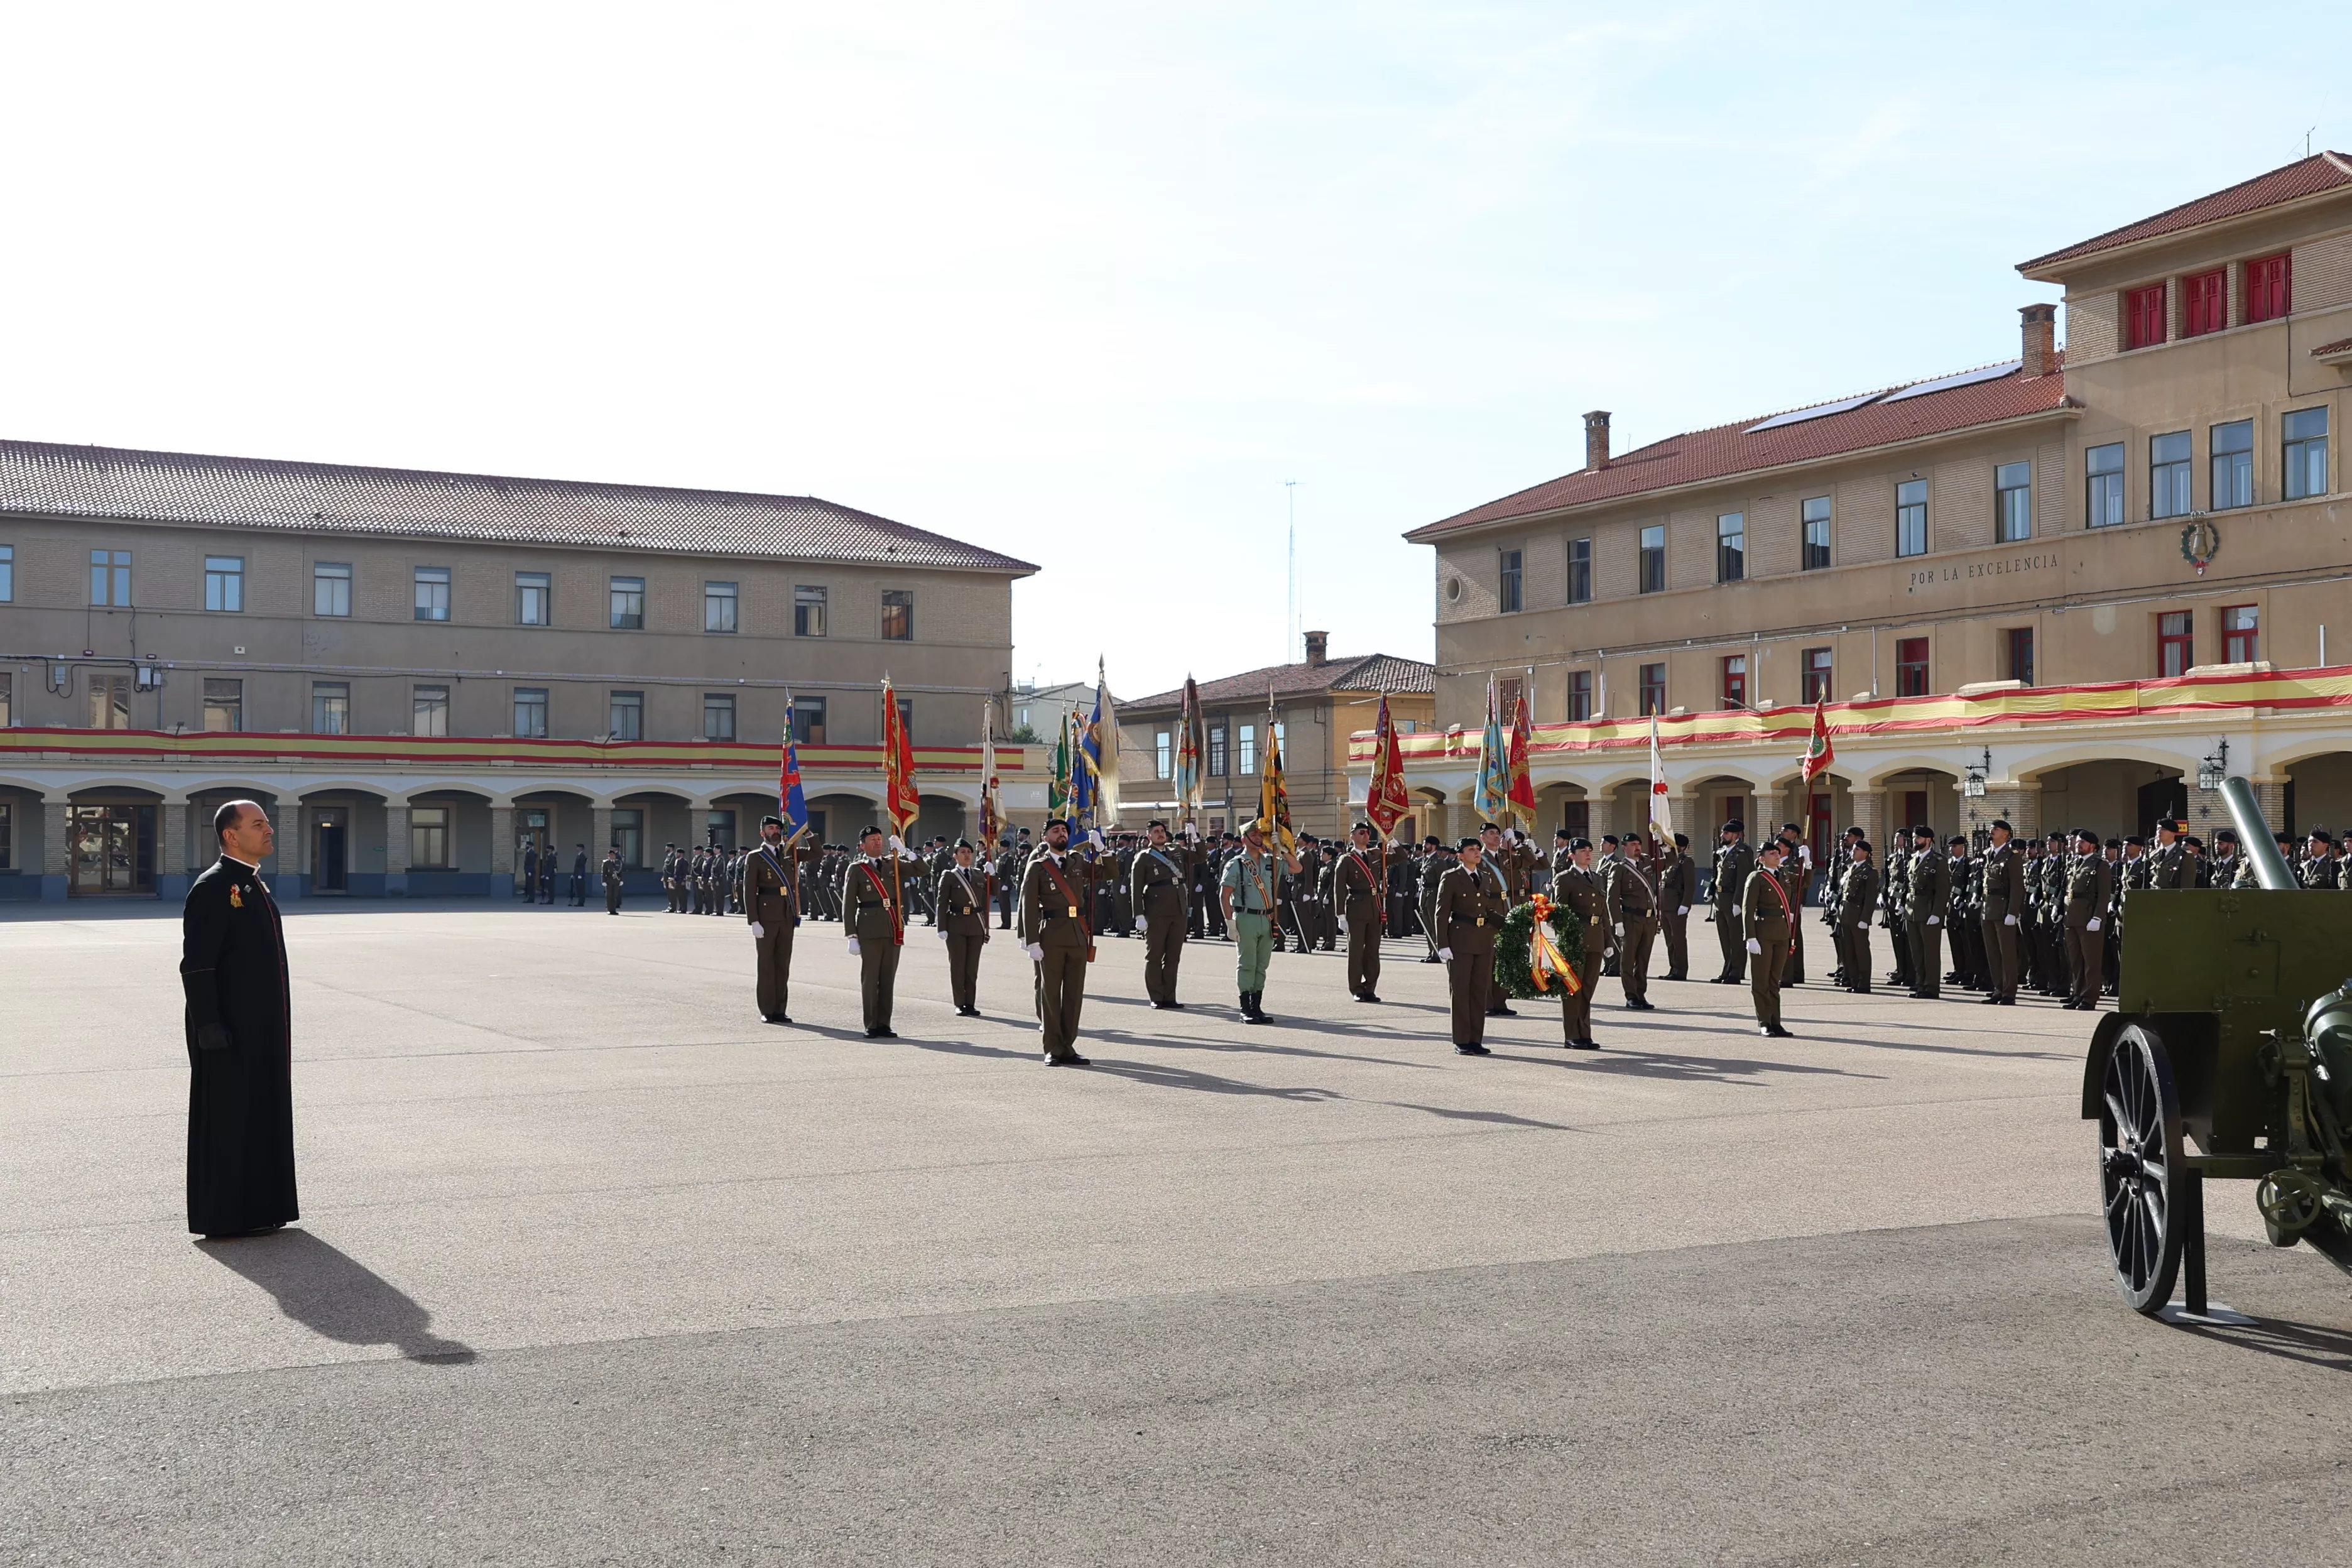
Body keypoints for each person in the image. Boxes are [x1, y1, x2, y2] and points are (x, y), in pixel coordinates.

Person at [180, 799, 299, 1240]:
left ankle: (262, 1208)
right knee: (229, 1120)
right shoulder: (214, 886)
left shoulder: (252, 885)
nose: (268, 830)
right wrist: (209, 1023)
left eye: (267, 823)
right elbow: (197, 962)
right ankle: (226, 1216)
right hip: (227, 1029)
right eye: (257, 824)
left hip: (261, 1027)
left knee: (260, 1114)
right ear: (231, 835)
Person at [1019, 817, 1097, 1065]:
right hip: (1051, 935)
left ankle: (1068, 1046)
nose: (1061, 834)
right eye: (1056, 831)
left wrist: (1103, 851)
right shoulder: (1038, 867)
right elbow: (1028, 906)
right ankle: (1052, 1048)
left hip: (1077, 934)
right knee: (1050, 993)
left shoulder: (1077, 861)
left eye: (1064, 830)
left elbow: (1108, 874)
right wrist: (1031, 941)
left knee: (1074, 994)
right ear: (1046, 838)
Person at [1434, 835, 1509, 1055]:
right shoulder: (1451, 877)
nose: (1477, 852)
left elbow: (1487, 910)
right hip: (1460, 940)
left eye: (1478, 848)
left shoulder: (1484, 877)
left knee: (1478, 991)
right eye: (1471, 849)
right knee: (1461, 991)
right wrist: (1443, 944)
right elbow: (1441, 913)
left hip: (1483, 940)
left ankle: (1476, 1039)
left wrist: (1510, 925)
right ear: (1460, 855)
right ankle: (1462, 1040)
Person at [1220, 823, 1300, 1024]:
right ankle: (1245, 1008)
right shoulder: (1237, 864)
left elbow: (1297, 868)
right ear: (1244, 839)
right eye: (1253, 834)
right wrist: (1230, 923)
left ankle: (1257, 1007)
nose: (1258, 837)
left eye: (1260, 834)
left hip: (1267, 918)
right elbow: (1225, 895)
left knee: (1261, 965)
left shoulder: (1271, 861)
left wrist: (1282, 849)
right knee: (1247, 964)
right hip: (1246, 918)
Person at [844, 826, 908, 1038]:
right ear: (862, 845)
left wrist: (905, 851)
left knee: (888, 977)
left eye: (880, 839)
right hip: (869, 929)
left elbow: (922, 869)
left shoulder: (893, 863)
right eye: (872, 839)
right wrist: (852, 935)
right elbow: (849, 905)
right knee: (871, 979)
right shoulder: (857, 869)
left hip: (892, 927)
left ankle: (884, 1023)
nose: (878, 842)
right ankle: (871, 1023)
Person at [743, 815, 805, 1023]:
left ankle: (780, 1009)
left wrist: (805, 831)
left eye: (778, 828)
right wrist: (754, 921)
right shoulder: (755, 857)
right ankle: (767, 1009)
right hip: (766, 916)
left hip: (787, 915)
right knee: (767, 965)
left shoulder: (789, 853)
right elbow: (749, 891)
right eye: (771, 828)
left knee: (782, 963)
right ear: (763, 833)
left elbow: (815, 852)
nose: (775, 831)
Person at [1130, 820, 1194, 1009]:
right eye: (1156, 832)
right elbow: (1136, 888)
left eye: (1162, 831)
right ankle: (1156, 996)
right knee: (1155, 956)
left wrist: (1195, 836)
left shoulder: (1176, 851)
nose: (1160, 834)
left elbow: (1199, 857)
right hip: (1156, 911)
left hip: (1178, 910)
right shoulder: (1144, 858)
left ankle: (1170, 996)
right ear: (1149, 836)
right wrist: (1139, 915)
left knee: (1174, 956)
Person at [1550, 836, 1606, 1049]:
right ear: (1572, 855)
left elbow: (1603, 912)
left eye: (1590, 850)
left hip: (1596, 938)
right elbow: (1559, 914)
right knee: (1573, 988)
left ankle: (1585, 1033)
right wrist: (1567, 939)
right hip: (1575, 941)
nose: (1588, 853)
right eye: (1583, 850)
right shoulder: (1565, 879)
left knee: (1588, 988)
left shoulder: (1598, 878)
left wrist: (1608, 940)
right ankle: (1572, 1034)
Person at [1742, 838, 1795, 1038]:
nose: (1777, 855)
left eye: (1777, 852)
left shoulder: (1783, 875)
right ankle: (1764, 1022)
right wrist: (1750, 937)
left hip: (1782, 933)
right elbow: (1748, 910)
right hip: (1762, 934)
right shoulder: (1756, 878)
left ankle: (1776, 1022)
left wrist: (1807, 864)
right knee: (1761, 981)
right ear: (1762, 858)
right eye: (1772, 853)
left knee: (1775, 981)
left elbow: (1803, 885)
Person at [935, 839, 992, 1017]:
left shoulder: (978, 874)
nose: (967, 855)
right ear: (955, 856)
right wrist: (941, 926)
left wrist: (993, 874)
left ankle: (970, 1003)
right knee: (958, 966)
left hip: (975, 925)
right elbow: (942, 902)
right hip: (956, 925)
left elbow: (993, 893)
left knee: (972, 968)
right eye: (963, 852)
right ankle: (960, 1003)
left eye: (969, 852)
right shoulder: (950, 875)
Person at [1333, 822, 1388, 1003]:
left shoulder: (1376, 855)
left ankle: (1370, 987)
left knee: (1373, 950)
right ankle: (1356, 988)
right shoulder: (1347, 860)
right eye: (1361, 832)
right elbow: (1339, 888)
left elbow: (1401, 857)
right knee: (1356, 951)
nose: (1366, 835)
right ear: (1352, 836)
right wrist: (1341, 915)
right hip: (1356, 907)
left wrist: (1391, 838)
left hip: (1375, 906)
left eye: (1368, 832)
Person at [1605, 833, 1660, 1011]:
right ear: (1624, 848)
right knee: (1628, 959)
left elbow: (1671, 860)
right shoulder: (1619, 868)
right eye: (1633, 844)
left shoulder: (1647, 863)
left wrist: (1665, 844)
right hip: (1631, 919)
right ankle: (1631, 996)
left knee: (1644, 959)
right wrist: (1617, 923)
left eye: (1639, 844)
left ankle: (1641, 995)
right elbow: (1611, 898)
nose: (1637, 847)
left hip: (1649, 920)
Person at [2062, 829, 2111, 1010]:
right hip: (2072, 916)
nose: (2078, 845)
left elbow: (2104, 894)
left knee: (2091, 960)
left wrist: (2098, 917)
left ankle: (2089, 997)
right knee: (2075, 959)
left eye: (2082, 842)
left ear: (2092, 846)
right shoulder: (2074, 863)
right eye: (2077, 842)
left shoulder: (2100, 865)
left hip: (2089, 917)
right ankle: (2077, 993)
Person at [1978, 819, 2025, 1005]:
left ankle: (2009, 992)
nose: (1991, 832)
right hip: (1988, 908)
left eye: (1996, 829)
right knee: (1993, 952)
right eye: (1991, 829)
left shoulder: (2012, 856)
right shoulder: (1988, 853)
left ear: (2006, 834)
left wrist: (2013, 912)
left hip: (2004, 909)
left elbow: (2017, 887)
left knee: (2007, 953)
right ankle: (1998, 988)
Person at [1905, 826, 1950, 999]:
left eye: (1918, 838)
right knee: (1917, 952)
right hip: (1912, 910)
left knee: (1930, 952)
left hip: (1929, 910)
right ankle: (1921, 984)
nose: (1915, 840)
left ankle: (1931, 987)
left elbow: (1943, 889)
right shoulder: (1912, 859)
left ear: (1928, 840)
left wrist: (1937, 913)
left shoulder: (1938, 861)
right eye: (1914, 838)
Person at [1711, 820, 1755, 984]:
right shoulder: (1721, 851)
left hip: (1732, 898)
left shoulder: (1743, 852)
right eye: (1723, 833)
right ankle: (1727, 969)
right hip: (1720, 899)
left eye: (1727, 833)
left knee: (1736, 938)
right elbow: (1716, 874)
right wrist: (1711, 891)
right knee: (1724, 937)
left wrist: (1738, 902)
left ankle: (1736, 972)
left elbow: (1743, 878)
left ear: (1737, 836)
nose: (1723, 836)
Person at [1834, 839, 1878, 993]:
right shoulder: (1849, 869)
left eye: (1857, 849)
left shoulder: (1870, 872)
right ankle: (1854, 981)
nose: (1853, 851)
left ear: (1866, 853)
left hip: (1858, 915)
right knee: (1848, 950)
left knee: (1861, 950)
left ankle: (1864, 983)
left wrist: (1865, 919)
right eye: (1853, 849)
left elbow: (1870, 898)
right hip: (1845, 914)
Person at [1658, 833, 1697, 981]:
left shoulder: (1685, 862)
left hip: (1677, 906)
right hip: (1666, 906)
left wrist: (1685, 905)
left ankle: (1680, 970)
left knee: (1678, 939)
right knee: (1669, 940)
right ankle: (1673, 968)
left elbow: (1690, 886)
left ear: (1680, 847)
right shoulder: (1670, 861)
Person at [601, 847, 624, 913]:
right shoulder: (606, 863)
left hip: (616, 881)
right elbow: (604, 873)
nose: (612, 856)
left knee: (614, 896)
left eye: (613, 855)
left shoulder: (618, 862)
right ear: (608, 856)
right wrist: (603, 881)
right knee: (609, 896)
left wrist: (621, 880)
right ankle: (609, 910)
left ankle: (614, 910)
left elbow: (620, 872)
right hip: (609, 881)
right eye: (610, 855)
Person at [568, 843, 589, 907]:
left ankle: (581, 902)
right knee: (578, 889)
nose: (577, 848)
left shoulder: (582, 856)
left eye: (578, 847)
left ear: (581, 848)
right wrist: (574, 875)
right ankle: (580, 902)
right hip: (577, 875)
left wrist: (580, 875)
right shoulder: (579, 855)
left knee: (581, 889)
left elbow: (582, 866)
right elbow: (576, 867)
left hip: (580, 875)